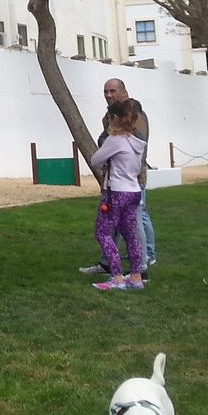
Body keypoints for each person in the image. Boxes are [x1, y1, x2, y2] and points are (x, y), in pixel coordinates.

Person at [80, 78, 156, 278]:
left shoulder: (133, 116)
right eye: (105, 91)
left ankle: (141, 266)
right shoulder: (110, 117)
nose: (108, 94)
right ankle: (111, 264)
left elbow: (129, 145)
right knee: (118, 225)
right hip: (117, 180)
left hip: (129, 180)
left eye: (112, 91)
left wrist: (109, 144)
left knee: (133, 224)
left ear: (124, 92)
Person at [88, 98, 147, 291]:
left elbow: (95, 160)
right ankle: (136, 276)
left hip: (115, 193)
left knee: (104, 233)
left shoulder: (115, 140)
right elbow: (137, 167)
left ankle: (117, 276)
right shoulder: (137, 141)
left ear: (114, 118)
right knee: (131, 235)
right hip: (133, 191)